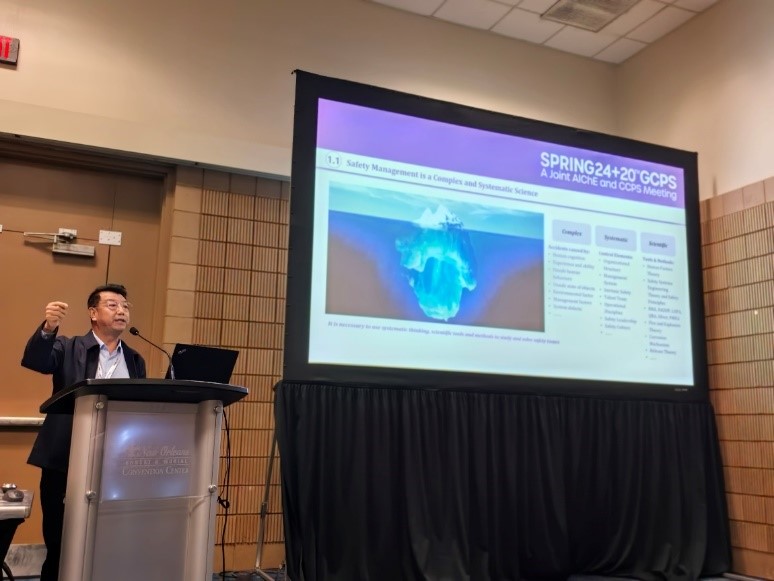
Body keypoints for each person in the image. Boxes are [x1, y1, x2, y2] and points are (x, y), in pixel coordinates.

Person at [21, 283, 147, 581]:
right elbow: (36, 361)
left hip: (115, 465)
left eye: (125, 306)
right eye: (112, 305)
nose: (122, 311)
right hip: (65, 461)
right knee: (61, 542)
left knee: (107, 541)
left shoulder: (135, 359)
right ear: (93, 313)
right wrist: (48, 328)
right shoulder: (68, 347)